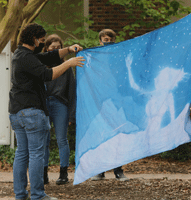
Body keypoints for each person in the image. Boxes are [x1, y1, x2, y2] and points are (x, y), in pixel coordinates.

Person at [9, 23, 84, 200]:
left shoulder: (22, 55)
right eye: (42, 41)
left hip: (17, 113)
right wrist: (70, 63)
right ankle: (37, 195)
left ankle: (20, 194)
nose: (42, 44)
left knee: (22, 153)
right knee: (36, 154)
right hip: (32, 112)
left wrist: (68, 50)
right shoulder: (26, 58)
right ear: (34, 40)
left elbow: (48, 57)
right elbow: (48, 75)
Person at [91, 29, 129, 181]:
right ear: (100, 41)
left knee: (116, 136)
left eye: (110, 40)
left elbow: (124, 78)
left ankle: (118, 170)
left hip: (116, 101)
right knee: (101, 136)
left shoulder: (119, 58)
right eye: (105, 40)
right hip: (99, 102)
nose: (107, 43)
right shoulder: (94, 58)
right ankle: (100, 170)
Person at [41, 34, 76, 185]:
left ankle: (63, 174)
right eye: (52, 48)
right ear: (47, 49)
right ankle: (43, 174)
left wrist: (71, 115)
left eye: (58, 47)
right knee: (44, 141)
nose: (56, 50)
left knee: (62, 140)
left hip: (60, 105)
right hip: (43, 105)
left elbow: (72, 92)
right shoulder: (41, 66)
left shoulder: (67, 68)